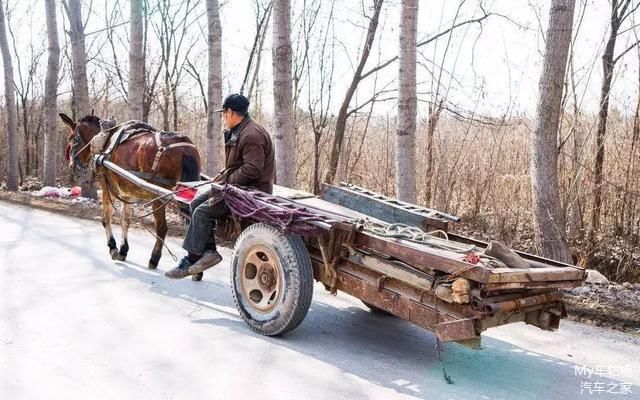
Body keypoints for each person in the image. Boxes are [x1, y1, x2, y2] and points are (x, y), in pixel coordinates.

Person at [165, 93, 275, 279]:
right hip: (238, 186)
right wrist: (223, 177)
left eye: (224, 113)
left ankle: (192, 259)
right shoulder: (241, 129)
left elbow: (253, 169)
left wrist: (227, 183)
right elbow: (239, 164)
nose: (223, 117)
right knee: (194, 203)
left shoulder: (251, 134)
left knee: (202, 211)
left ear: (230, 112)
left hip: (250, 191)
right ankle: (208, 252)